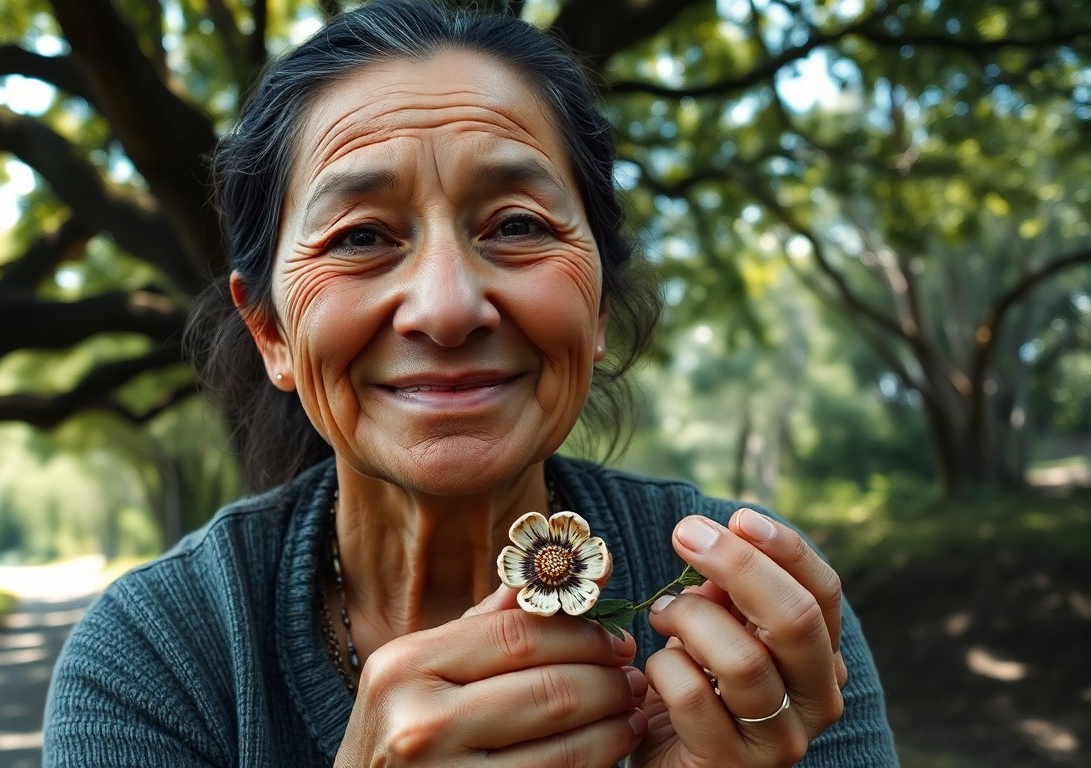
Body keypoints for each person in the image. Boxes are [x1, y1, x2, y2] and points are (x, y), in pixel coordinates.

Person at [43, 1, 899, 765]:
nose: (447, 308)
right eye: (360, 237)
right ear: (270, 331)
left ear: (597, 305)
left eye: (518, 225)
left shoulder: (751, 617)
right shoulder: (150, 661)